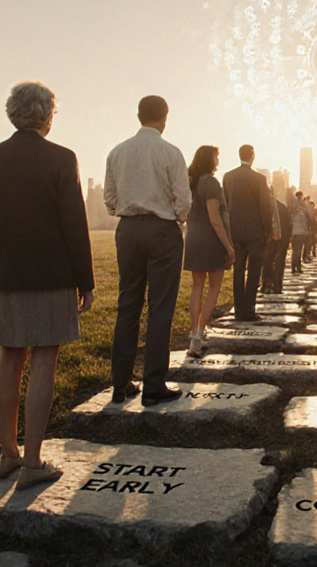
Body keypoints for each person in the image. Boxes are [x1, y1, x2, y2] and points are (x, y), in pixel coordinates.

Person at [0, 81, 94, 491]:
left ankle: (7, 454)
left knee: (11, 357)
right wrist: (85, 280)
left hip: (5, 273)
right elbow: (73, 225)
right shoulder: (62, 158)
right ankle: (33, 461)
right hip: (53, 273)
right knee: (44, 357)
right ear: (47, 116)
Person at [104, 95, 191, 406]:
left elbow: (110, 198)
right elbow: (183, 199)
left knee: (127, 304)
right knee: (160, 308)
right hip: (162, 229)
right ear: (164, 118)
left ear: (138, 115)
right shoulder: (170, 152)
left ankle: (120, 383)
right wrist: (176, 221)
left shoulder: (117, 152)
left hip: (127, 230)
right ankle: (153, 383)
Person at [183, 146, 234, 354]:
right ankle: (199, 334)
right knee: (214, 287)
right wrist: (228, 246)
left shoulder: (190, 183)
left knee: (197, 287)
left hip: (193, 238)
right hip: (211, 240)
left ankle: (194, 331)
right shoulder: (211, 184)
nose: (218, 160)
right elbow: (215, 218)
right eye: (216, 156)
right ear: (209, 160)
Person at [222, 145, 277, 322]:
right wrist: (268, 230)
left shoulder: (228, 177)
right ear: (252, 156)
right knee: (254, 271)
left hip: (235, 232)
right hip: (255, 233)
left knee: (238, 270)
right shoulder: (259, 179)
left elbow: (226, 203)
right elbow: (264, 206)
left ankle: (238, 310)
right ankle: (249, 309)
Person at [290, 192, 310, 274]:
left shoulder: (292, 207)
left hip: (293, 232)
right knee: (298, 251)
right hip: (301, 232)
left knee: (295, 251)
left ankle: (293, 267)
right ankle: (297, 266)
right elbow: (309, 215)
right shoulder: (303, 208)